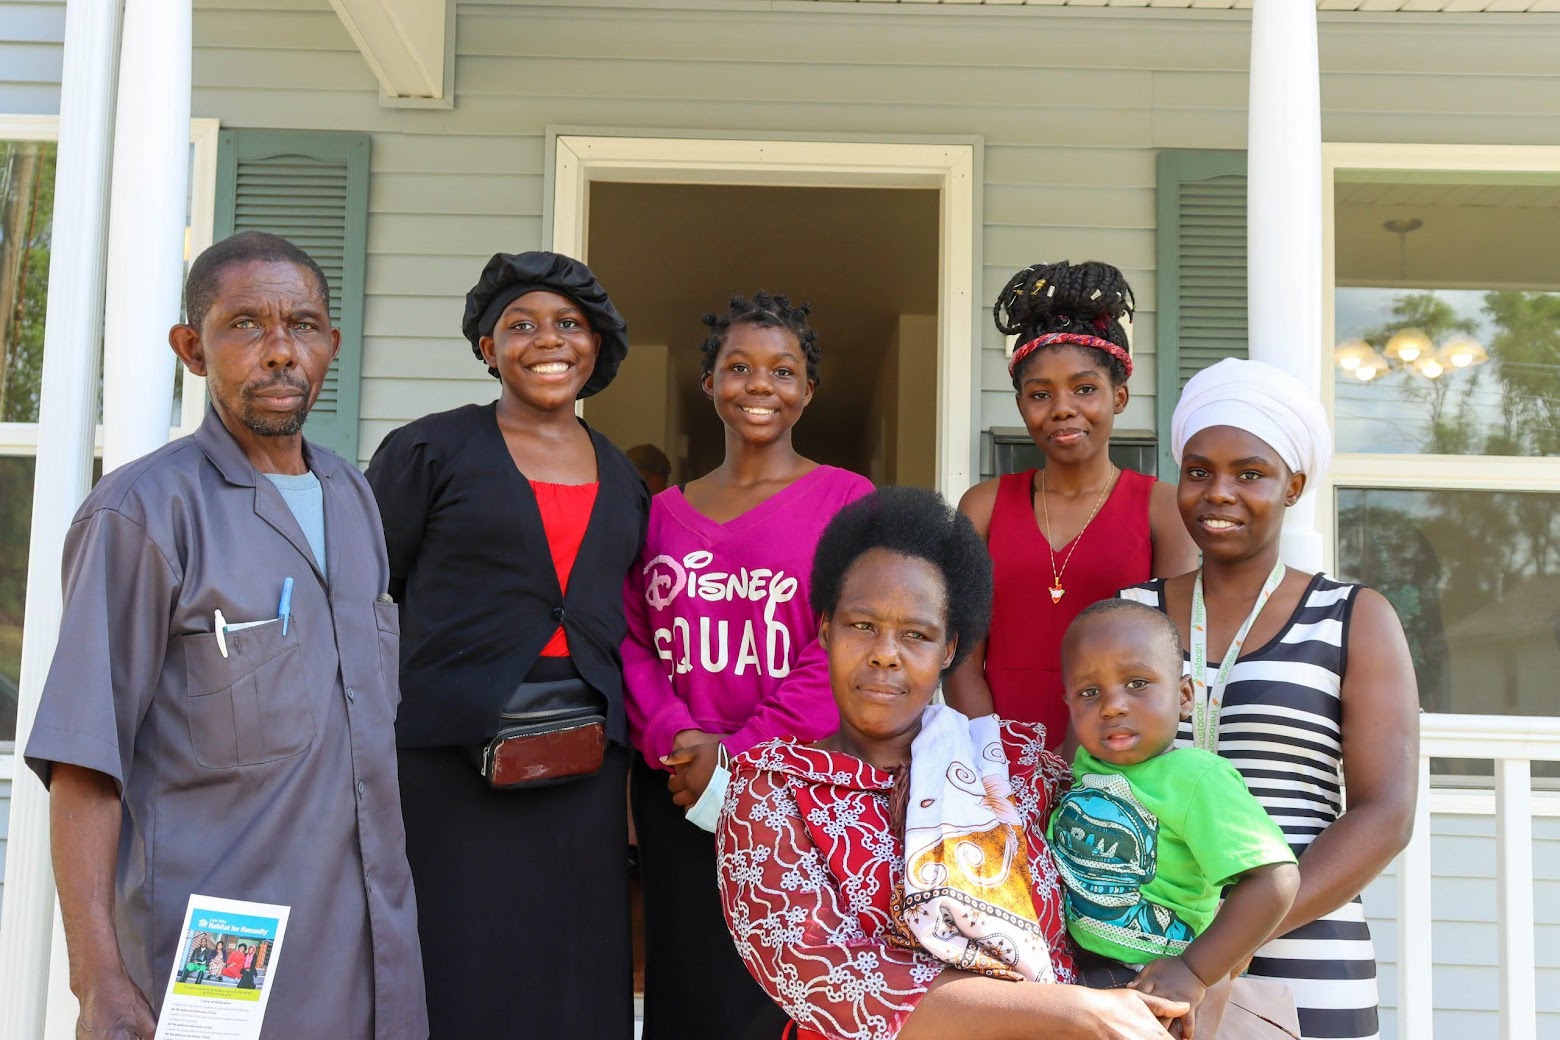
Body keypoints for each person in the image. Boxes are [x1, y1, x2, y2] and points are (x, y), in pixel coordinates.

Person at [24, 230, 427, 1040]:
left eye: (304, 326)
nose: (280, 351)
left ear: (331, 345)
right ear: (193, 348)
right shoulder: (143, 513)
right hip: (219, 957)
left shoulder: (354, 497)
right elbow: (85, 762)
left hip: (374, 951)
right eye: (246, 324)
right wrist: (95, 976)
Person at [718, 487, 1191, 1040]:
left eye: (916, 635)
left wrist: (1190, 970)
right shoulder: (772, 791)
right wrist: (1071, 1011)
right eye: (862, 625)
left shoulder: (1012, 768)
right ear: (825, 627)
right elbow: (824, 977)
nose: (886, 653)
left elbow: (1129, 884)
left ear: (949, 651)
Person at [367, 250, 647, 1040]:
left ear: (596, 348)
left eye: (569, 325)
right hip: (447, 758)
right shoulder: (428, 451)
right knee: (457, 955)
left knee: (572, 962)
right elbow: (364, 598)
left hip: (585, 762)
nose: (546, 340)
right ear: (488, 348)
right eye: (519, 325)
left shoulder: (624, 476)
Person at [1120, 357, 1420, 1040]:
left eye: (1249, 473)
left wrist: (1213, 953)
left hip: (1304, 959)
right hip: (1141, 963)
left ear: (1295, 486)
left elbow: (1385, 814)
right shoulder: (1128, 619)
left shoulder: (1354, 618)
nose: (1218, 491)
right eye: (1198, 472)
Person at [622, 292, 873, 1040]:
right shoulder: (662, 512)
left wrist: (738, 757)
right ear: (710, 385)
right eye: (739, 367)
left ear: (807, 391)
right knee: (685, 985)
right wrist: (675, 737)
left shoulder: (845, 501)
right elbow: (634, 638)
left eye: (782, 370)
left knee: (779, 991)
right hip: (675, 785)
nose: (760, 384)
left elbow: (844, 639)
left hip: (792, 786)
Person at [946, 261, 1198, 748]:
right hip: (991, 757)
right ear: (1021, 405)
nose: (1063, 407)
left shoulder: (1163, 508)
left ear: (1119, 397)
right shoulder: (982, 506)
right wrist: (999, 763)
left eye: (1085, 389)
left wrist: (1084, 766)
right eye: (1041, 394)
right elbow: (960, 660)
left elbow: (1168, 656)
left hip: (1115, 756)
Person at [1050, 600, 1300, 1036]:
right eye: (1089, 692)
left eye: (1137, 683)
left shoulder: (1198, 778)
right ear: (1068, 703)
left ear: (1184, 696)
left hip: (1154, 983)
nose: (1112, 706)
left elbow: (1275, 880)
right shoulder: (1085, 767)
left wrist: (1195, 970)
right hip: (1076, 975)